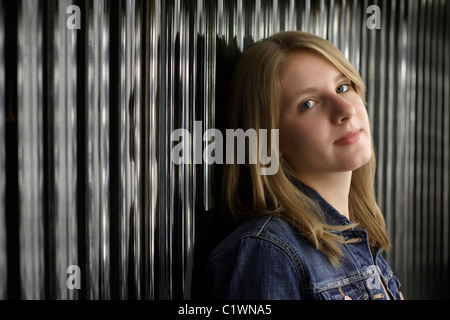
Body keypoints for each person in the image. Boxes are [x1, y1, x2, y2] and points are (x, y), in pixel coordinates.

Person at [202, 31, 404, 300]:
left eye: (343, 87)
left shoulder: (358, 241)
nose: (345, 109)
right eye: (308, 104)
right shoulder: (267, 252)